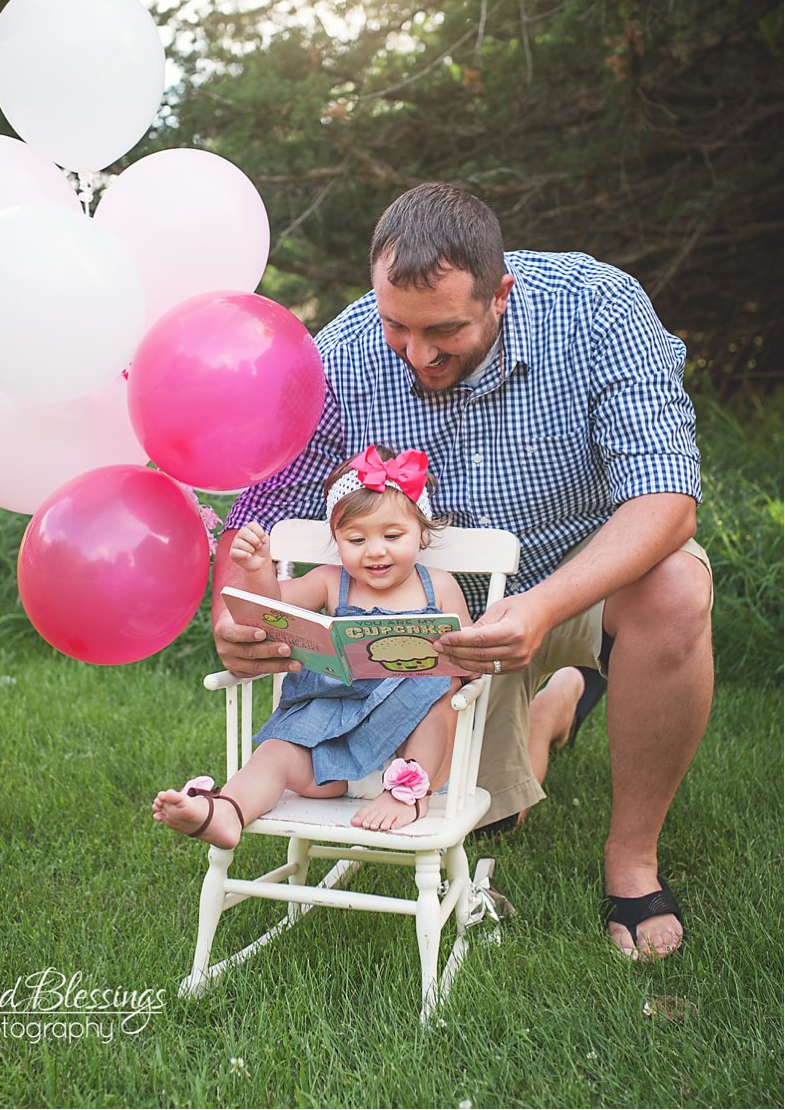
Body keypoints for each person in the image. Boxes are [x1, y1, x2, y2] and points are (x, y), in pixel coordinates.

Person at [212, 183, 714, 961]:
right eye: (396, 327)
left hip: (582, 582)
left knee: (677, 586)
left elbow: (667, 499)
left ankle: (633, 862)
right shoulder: (340, 355)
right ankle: (556, 706)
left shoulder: (597, 310)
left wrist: (542, 610)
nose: (417, 353)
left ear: (500, 293)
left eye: (443, 330)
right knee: (487, 817)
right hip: (432, 627)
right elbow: (266, 502)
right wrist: (235, 611)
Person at [154, 444, 474, 842]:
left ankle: (407, 795)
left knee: (441, 687)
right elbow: (271, 609)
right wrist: (256, 571)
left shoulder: (438, 586)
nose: (375, 551)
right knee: (275, 753)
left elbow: (469, 656)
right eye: (356, 540)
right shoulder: (329, 580)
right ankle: (227, 811)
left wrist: (457, 658)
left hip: (407, 750)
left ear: (422, 534)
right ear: (336, 539)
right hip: (328, 745)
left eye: (393, 535)